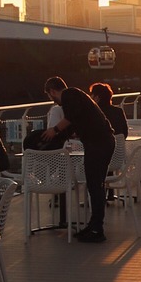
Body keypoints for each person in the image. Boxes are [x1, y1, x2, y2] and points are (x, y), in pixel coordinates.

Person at [41, 77, 113, 243]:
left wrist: (54, 130)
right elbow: (75, 122)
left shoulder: (69, 94)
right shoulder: (75, 97)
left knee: (95, 185)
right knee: (95, 185)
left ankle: (97, 229)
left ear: (52, 91)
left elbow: (72, 117)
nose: (52, 100)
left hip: (99, 143)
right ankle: (94, 225)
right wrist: (61, 136)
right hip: (100, 142)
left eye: (50, 95)